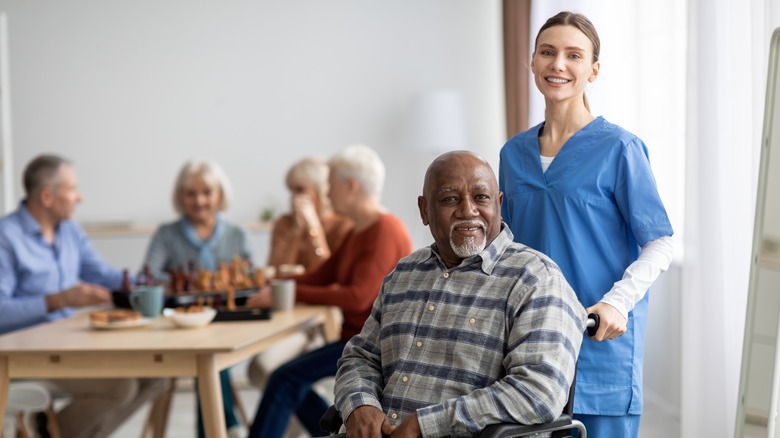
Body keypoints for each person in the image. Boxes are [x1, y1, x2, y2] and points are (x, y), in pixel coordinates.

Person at [498, 11, 675, 437]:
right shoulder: (511, 154)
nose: (558, 65)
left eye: (573, 55)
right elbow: (504, 246)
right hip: (530, 345)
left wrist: (617, 302)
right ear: (532, 63)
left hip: (598, 341)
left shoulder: (620, 148)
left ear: (592, 70)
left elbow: (660, 241)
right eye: (548, 53)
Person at [334, 151, 586, 437]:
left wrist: (426, 425)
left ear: (499, 204)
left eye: (481, 197)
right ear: (424, 210)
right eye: (450, 199)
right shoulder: (404, 274)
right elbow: (360, 357)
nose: (468, 210)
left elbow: (539, 392)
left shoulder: (535, 278)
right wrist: (359, 406)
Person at [246, 144, 413, 438]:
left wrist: (290, 293)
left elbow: (358, 296)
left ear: (351, 186)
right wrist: (272, 285)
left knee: (285, 378)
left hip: (373, 347)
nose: (326, 193)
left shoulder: (385, 230)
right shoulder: (357, 231)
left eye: (330, 185)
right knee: (287, 379)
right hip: (353, 339)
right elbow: (322, 276)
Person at [0, 154, 164, 438]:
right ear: (48, 196)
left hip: (69, 346)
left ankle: (54, 432)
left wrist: (156, 284)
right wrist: (58, 300)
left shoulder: (70, 232)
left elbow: (105, 275)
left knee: (156, 375)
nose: (81, 197)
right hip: (23, 354)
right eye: (73, 189)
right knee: (120, 387)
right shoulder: (6, 237)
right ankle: (50, 433)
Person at [142, 159, 252, 438]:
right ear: (181, 197)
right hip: (180, 327)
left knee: (214, 352)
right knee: (209, 353)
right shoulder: (166, 235)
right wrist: (180, 287)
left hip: (228, 324)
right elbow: (149, 276)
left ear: (219, 195)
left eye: (206, 193)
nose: (199, 201)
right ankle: (226, 426)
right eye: (191, 194)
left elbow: (250, 281)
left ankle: (218, 428)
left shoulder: (237, 235)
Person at [267, 156, 353, 274]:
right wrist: (296, 232)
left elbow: (328, 274)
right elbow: (276, 273)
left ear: (321, 190)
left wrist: (313, 227)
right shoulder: (284, 223)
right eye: (290, 190)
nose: (293, 197)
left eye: (300, 189)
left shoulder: (343, 225)